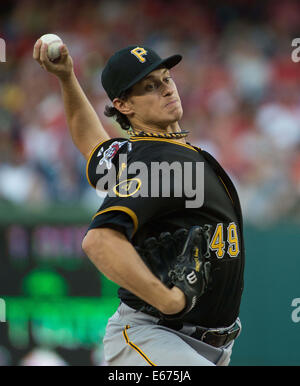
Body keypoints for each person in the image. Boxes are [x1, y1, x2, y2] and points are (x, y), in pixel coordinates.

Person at [33, 41, 245, 366]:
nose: (166, 89)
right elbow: (100, 240)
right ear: (124, 105)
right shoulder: (160, 163)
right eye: (149, 86)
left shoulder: (133, 155)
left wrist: (66, 78)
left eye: (165, 78)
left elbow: (91, 142)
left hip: (198, 344)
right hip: (157, 336)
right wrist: (170, 301)